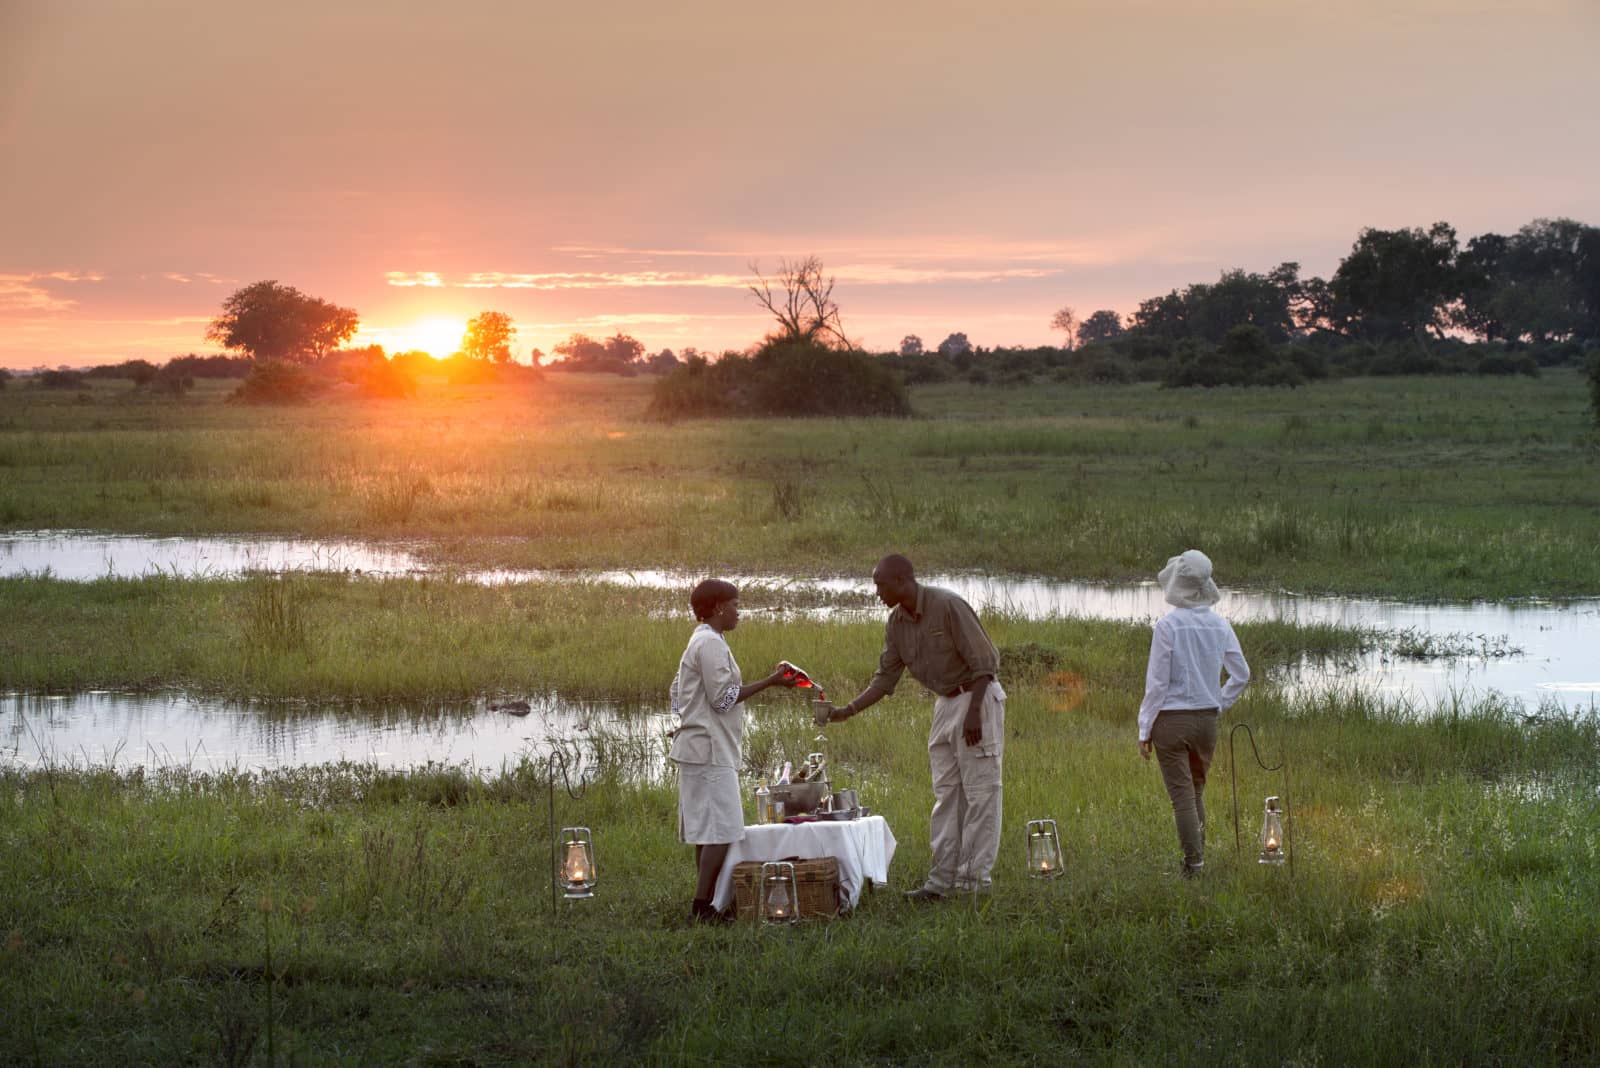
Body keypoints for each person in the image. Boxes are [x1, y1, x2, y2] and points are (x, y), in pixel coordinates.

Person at [815, 554, 1005, 901]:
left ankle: (973, 884)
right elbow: (885, 679)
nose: (876, 593)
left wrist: (975, 713)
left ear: (903, 581)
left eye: (881, 585)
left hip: (976, 697)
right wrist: (846, 711)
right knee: (946, 796)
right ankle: (941, 883)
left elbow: (985, 664)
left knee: (981, 795)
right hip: (945, 703)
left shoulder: (947, 605)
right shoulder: (897, 623)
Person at [669, 578, 797, 923]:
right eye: (736, 604)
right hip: (709, 750)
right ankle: (702, 905)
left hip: (699, 746)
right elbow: (723, 699)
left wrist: (685, 719)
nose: (740, 611)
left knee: (708, 831)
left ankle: (708, 902)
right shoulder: (709, 644)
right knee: (723, 830)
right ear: (718, 607)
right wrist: (771, 681)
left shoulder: (703, 641)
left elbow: (675, 691)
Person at [1137, 549, 1250, 878]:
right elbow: (1241, 674)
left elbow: (1157, 686)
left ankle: (1193, 865)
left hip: (1171, 722)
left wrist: (1144, 730)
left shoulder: (1168, 626)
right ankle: (1197, 859)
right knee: (1195, 792)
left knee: (1182, 797)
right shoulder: (1220, 625)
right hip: (1206, 722)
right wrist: (1218, 703)